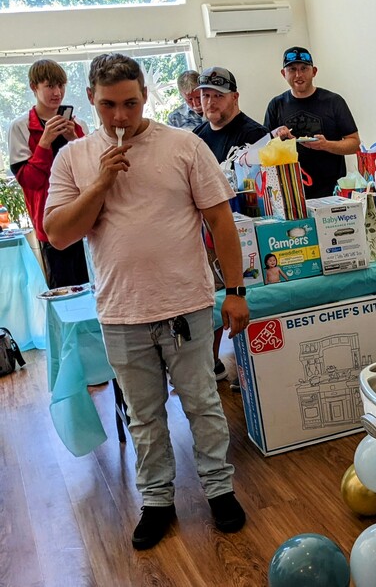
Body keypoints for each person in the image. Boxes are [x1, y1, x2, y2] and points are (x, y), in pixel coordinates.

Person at [43, 53, 250, 551]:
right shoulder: (73, 158)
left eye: (131, 103)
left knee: (203, 404)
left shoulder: (184, 145)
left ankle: (219, 490)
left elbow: (221, 221)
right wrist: (101, 182)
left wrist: (236, 291)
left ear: (145, 97)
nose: (120, 116)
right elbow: (58, 234)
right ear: (91, 99)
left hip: (188, 305)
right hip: (121, 311)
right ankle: (157, 500)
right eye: (109, 105)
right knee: (144, 415)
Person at [192, 66, 288, 388]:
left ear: (234, 97)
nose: (210, 102)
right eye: (205, 95)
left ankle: (252, 364)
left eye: (217, 95)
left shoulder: (255, 134)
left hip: (251, 228)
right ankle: (212, 363)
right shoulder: (195, 140)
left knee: (247, 295)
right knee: (213, 297)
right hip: (207, 232)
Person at [8, 59, 89, 287]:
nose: (57, 92)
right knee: (63, 289)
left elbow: (91, 172)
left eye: (61, 85)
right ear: (34, 87)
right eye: (50, 86)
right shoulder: (21, 127)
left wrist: (77, 139)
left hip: (85, 214)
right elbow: (29, 181)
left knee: (93, 283)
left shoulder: (78, 123)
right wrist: (44, 142)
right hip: (50, 218)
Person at [263, 46, 360, 198]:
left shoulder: (333, 101)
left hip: (332, 191)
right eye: (292, 69)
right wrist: (278, 138)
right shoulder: (276, 105)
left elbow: (354, 144)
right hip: (289, 191)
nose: (298, 75)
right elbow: (264, 149)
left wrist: (326, 145)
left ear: (314, 71)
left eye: (304, 68)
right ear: (283, 74)